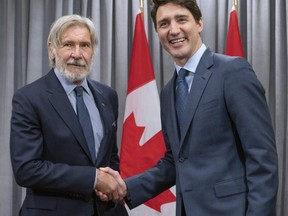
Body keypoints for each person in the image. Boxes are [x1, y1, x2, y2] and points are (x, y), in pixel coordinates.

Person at [100, 0, 279, 215]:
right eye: (164, 23)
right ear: (157, 32)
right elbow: (175, 161)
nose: (174, 30)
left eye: (181, 19)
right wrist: (126, 187)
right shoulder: (168, 92)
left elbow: (262, 157)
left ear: (199, 23)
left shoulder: (232, 72)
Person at [10, 14, 127, 216]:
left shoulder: (108, 96)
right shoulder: (29, 98)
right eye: (68, 44)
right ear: (52, 50)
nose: (77, 53)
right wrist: (93, 179)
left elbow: (110, 156)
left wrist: (108, 185)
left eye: (85, 45)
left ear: (93, 51)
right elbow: (27, 169)